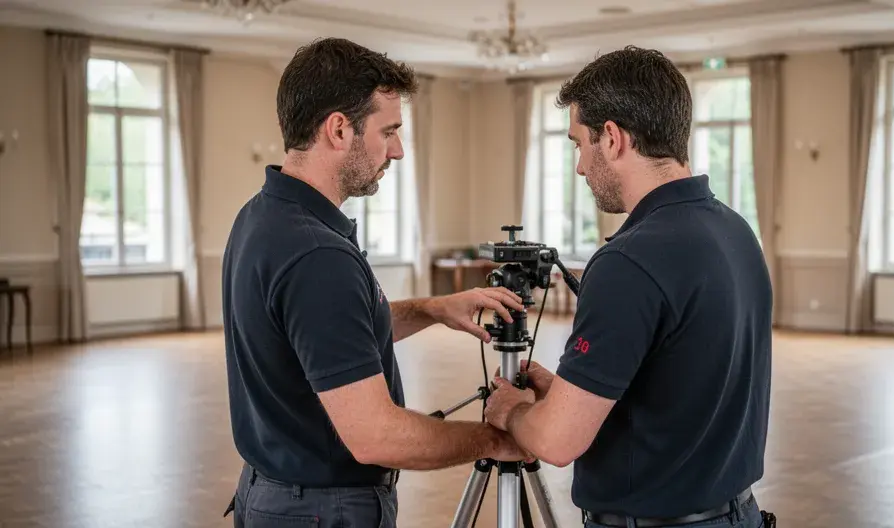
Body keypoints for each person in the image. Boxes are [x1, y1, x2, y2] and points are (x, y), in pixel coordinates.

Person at [220, 37, 528, 527]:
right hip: (324, 509)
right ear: (339, 129)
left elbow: (330, 338)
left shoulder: (262, 216)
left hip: (274, 491)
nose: (399, 151)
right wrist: (498, 438)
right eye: (389, 131)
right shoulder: (316, 254)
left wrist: (432, 308)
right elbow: (377, 436)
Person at [483, 46, 775, 528]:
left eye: (579, 143)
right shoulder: (736, 231)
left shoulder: (629, 260)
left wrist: (513, 412)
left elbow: (557, 442)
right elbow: (679, 392)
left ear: (613, 138)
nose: (579, 166)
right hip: (736, 513)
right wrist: (568, 396)